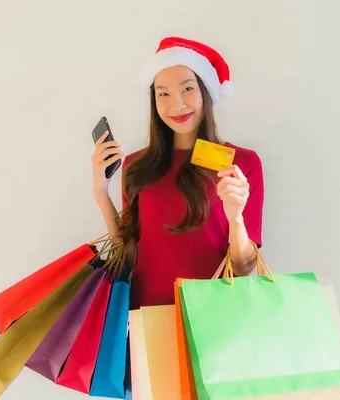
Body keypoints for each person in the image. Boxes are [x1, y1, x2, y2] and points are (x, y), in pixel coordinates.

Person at [91, 37, 265, 310]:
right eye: (164, 94)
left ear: (205, 91)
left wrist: (236, 218)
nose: (177, 105)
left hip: (216, 317)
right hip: (148, 316)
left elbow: (244, 269)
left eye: (187, 89)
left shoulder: (242, 163)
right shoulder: (137, 166)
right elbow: (127, 256)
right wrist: (101, 194)